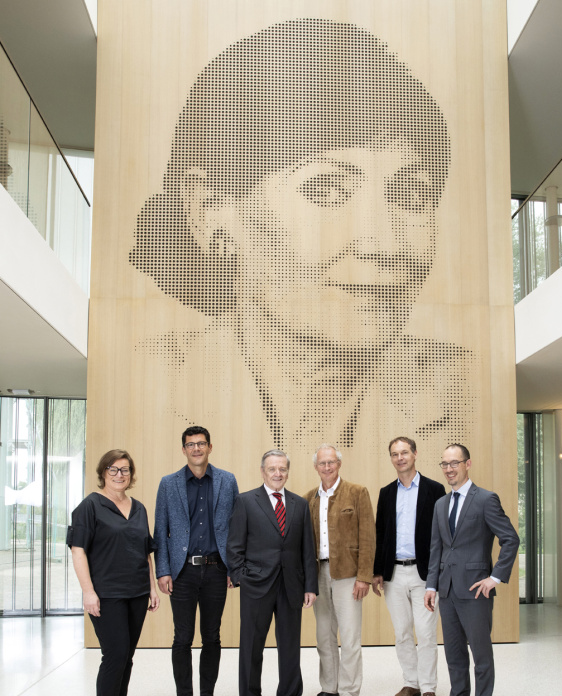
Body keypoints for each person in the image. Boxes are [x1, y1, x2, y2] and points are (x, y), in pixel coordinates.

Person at [130, 19, 475, 452]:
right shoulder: (146, 377)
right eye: (327, 189)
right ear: (212, 211)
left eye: (410, 194)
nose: (386, 247)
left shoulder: (462, 392)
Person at [67, 450, 159, 696]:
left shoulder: (139, 508)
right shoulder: (89, 507)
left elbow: (146, 552)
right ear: (103, 472)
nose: (120, 474)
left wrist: (152, 588)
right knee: (115, 655)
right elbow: (78, 550)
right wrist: (88, 591)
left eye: (125, 469)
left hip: (136, 592)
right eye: (113, 469)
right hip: (106, 594)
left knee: (127, 655)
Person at [424, 444, 520, 696]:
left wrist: (495, 578)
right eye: (444, 464)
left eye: (455, 463)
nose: (449, 468)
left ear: (468, 464)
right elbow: (436, 548)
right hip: (447, 590)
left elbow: (510, 539)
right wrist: (431, 585)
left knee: (480, 652)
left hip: (477, 590)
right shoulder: (441, 504)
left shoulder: (486, 499)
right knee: (453, 651)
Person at [226, 450, 318, 696]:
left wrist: (310, 586)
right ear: (262, 472)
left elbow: (307, 549)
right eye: (272, 469)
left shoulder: (299, 504)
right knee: (252, 648)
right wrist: (241, 576)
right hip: (256, 585)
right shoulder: (245, 501)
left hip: (291, 586)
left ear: (287, 472)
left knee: (290, 647)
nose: (277, 473)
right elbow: (234, 545)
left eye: (282, 469)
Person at [154, 426, 239, 696]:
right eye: (190, 445)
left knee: (212, 637)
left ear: (210, 447)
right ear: (184, 450)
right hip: (182, 573)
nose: (196, 449)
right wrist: (162, 570)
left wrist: (235, 567)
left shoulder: (227, 481)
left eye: (201, 443)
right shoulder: (169, 484)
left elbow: (237, 528)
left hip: (217, 569)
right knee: (182, 637)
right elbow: (160, 531)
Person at [373, 437, 446, 696]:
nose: (400, 457)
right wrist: (378, 571)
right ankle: (411, 683)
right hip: (394, 573)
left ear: (415, 454)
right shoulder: (386, 492)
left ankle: (428, 688)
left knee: (426, 633)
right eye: (395, 454)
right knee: (402, 632)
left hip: (424, 574)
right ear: (391, 459)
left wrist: (437, 575)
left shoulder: (435, 489)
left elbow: (442, 534)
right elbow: (380, 534)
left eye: (404, 452)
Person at [303, 444, 375, 696]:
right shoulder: (308, 498)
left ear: (339, 464)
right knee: (324, 636)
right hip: (318, 574)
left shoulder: (357, 492)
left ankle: (348, 693)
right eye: (322, 463)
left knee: (350, 635)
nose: (327, 467)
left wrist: (364, 577)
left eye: (331, 462)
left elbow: (368, 537)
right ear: (316, 467)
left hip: (348, 574)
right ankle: (329, 689)